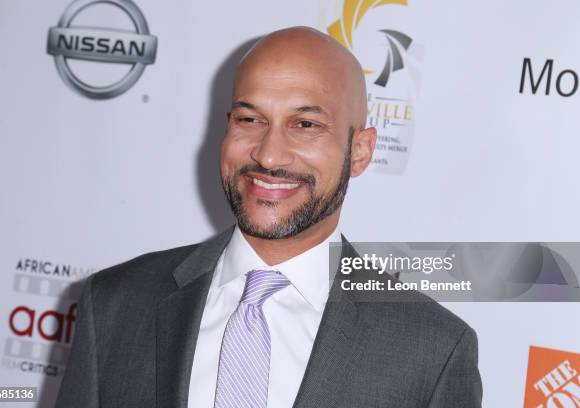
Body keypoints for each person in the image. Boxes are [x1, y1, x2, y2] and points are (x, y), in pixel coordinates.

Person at [55, 26, 482, 408]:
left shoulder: (432, 351)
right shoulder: (113, 304)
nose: (268, 153)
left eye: (305, 125)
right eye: (250, 119)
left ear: (361, 151)